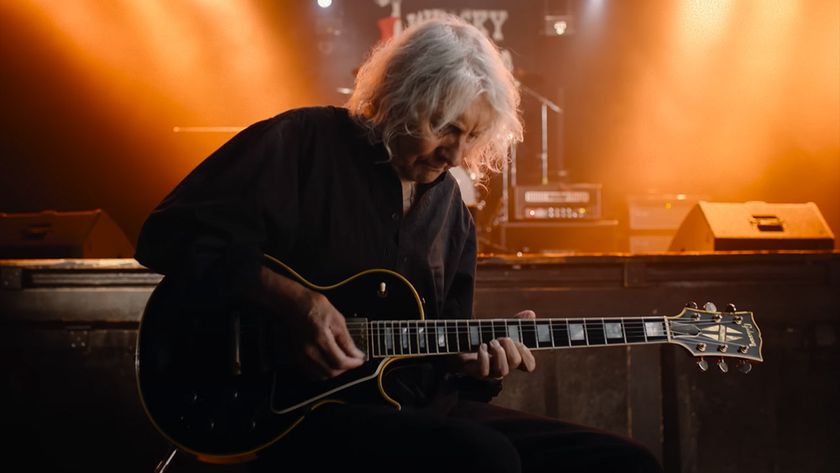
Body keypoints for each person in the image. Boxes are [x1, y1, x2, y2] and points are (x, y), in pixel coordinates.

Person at [135, 15, 662, 473]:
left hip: (411, 409)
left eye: (471, 138)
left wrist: (474, 364)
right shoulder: (301, 143)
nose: (454, 155)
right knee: (484, 460)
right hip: (278, 408)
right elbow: (167, 237)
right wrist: (293, 300)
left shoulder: (451, 212)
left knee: (623, 465)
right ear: (397, 101)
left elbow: (443, 347)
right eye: (443, 128)